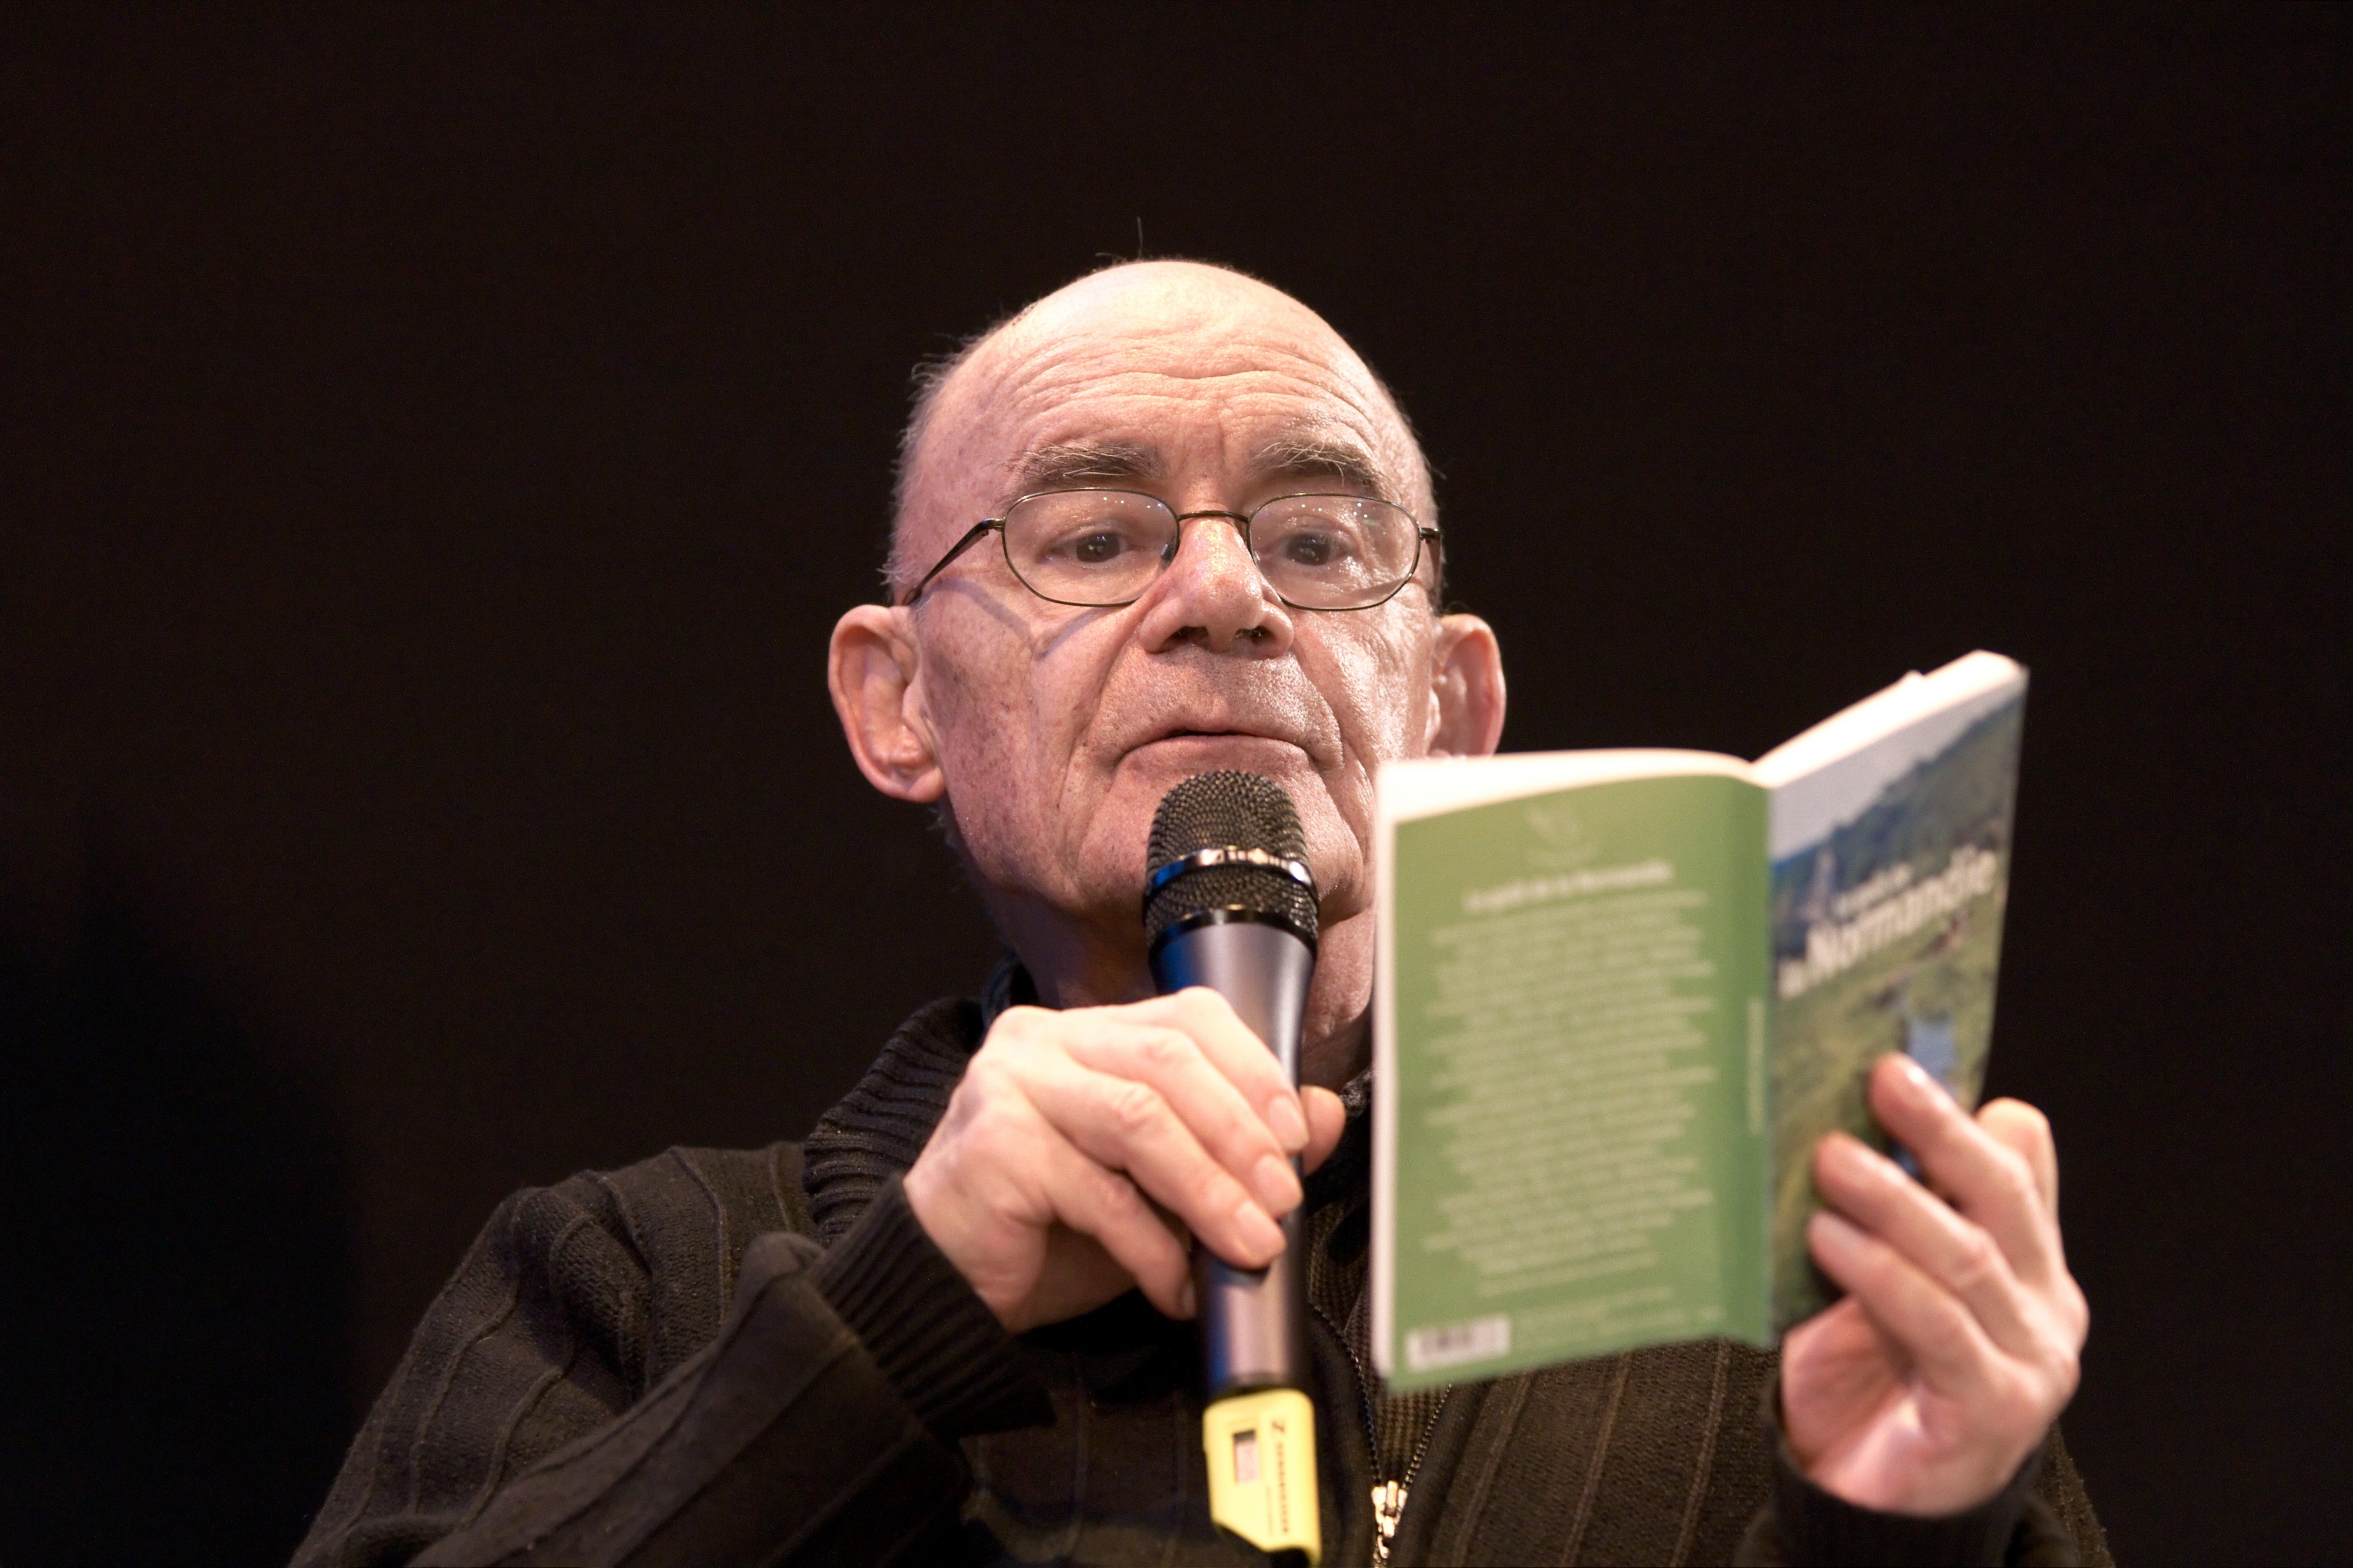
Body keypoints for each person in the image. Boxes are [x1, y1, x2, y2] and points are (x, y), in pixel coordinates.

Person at [295, 261, 2103, 1566]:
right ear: (897, 702)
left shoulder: (1761, 1311)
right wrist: (900, 1316)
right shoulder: (639, 1276)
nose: (1225, 591)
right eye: (1091, 537)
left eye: (1321, 546)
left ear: (1453, 708)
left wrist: (1901, 1533)